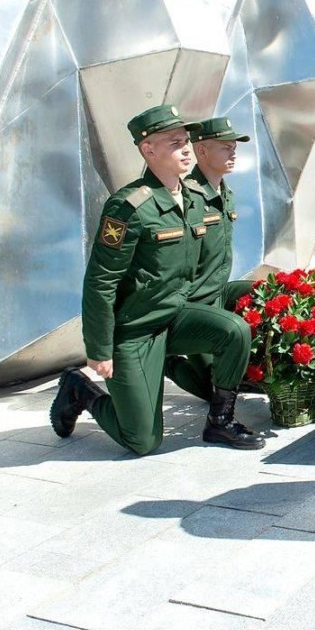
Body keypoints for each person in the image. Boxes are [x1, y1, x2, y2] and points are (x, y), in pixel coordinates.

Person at [50, 105, 264, 454]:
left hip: (176, 317)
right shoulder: (128, 207)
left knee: (234, 329)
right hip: (137, 330)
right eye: (174, 143)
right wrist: (99, 349)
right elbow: (100, 282)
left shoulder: (195, 199)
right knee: (141, 441)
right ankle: (80, 390)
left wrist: (212, 310)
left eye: (185, 141)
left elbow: (199, 268)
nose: (185, 149)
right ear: (148, 150)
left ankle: (220, 422)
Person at [164, 118, 260, 438]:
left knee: (270, 290)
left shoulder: (224, 192)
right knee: (211, 389)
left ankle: (253, 367)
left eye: (234, 147)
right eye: (225, 147)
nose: (233, 153)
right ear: (201, 150)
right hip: (192, 302)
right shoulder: (185, 197)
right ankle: (161, 358)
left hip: (216, 293)